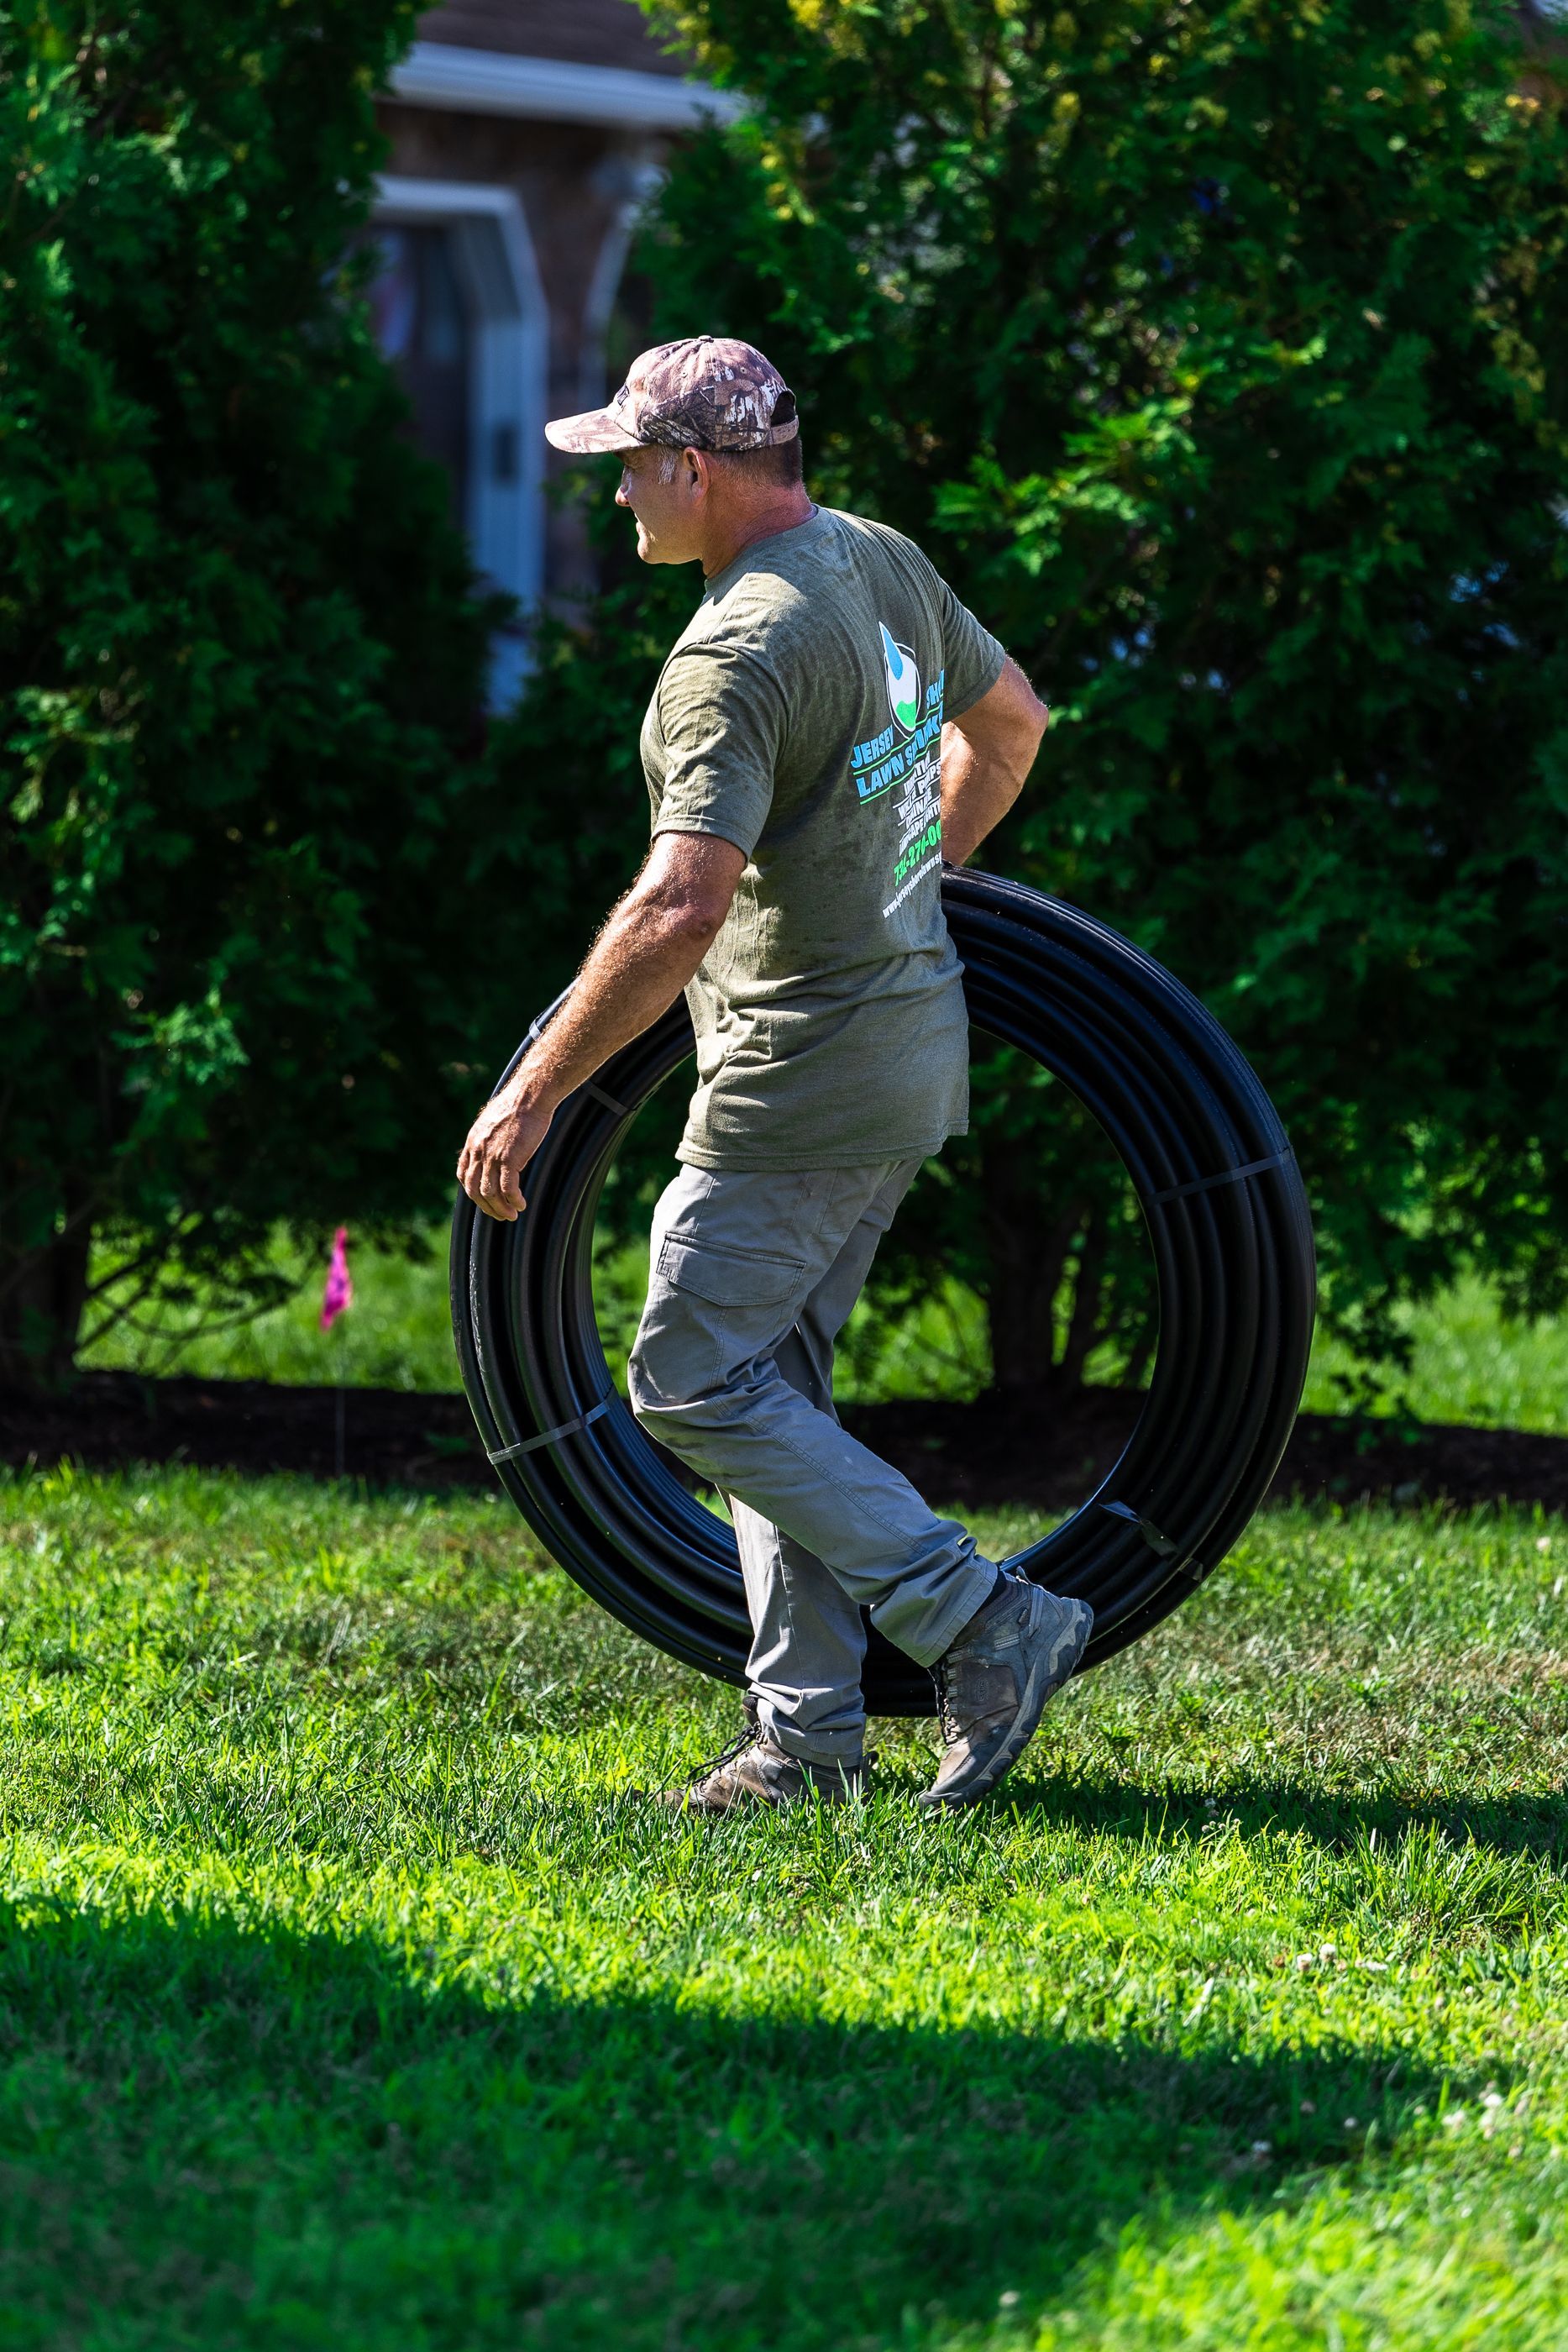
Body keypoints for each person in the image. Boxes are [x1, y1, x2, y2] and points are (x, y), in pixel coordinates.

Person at [457, 335, 1091, 1813]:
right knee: (770, 1383)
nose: (617, 495)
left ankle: (982, 1619)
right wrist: (900, 878)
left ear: (695, 467)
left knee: (685, 1374)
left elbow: (680, 902)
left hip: (794, 1077)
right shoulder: (876, 560)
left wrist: (534, 1087)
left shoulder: (735, 649)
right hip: (905, 1045)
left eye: (630, 464)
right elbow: (1013, 729)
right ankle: (805, 1739)